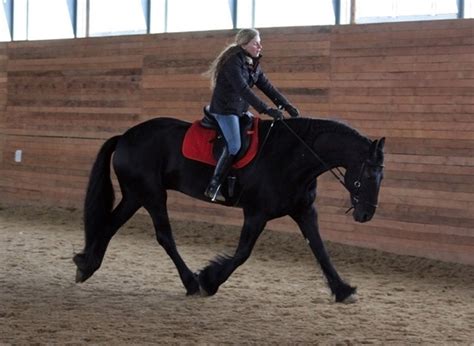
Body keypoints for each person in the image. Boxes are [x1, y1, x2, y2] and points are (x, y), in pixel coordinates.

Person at [203, 28, 300, 201]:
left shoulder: (252, 63)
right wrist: (266, 109)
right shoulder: (232, 62)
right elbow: (243, 90)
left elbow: (267, 86)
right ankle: (213, 186)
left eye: (259, 42)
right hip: (225, 109)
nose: (260, 46)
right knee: (234, 145)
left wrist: (286, 104)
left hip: (239, 109)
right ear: (244, 44)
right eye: (256, 43)